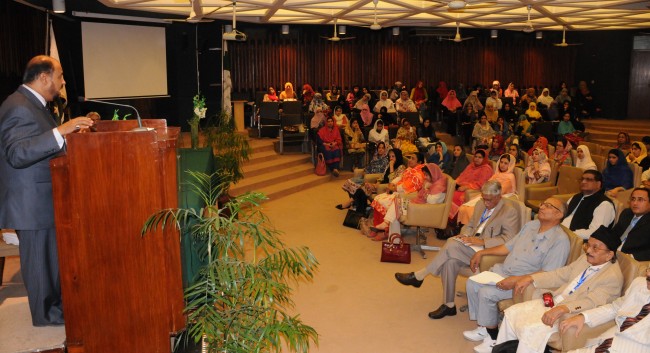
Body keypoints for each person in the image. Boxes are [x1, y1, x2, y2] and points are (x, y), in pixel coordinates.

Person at [0, 55, 94, 326]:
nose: (63, 82)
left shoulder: (35, 105)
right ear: (43, 78)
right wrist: (62, 131)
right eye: (60, 76)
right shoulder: (18, 106)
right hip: (30, 202)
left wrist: (70, 136)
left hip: (43, 197)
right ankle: (45, 315)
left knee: (51, 260)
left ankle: (57, 308)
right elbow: (17, 153)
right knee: (40, 263)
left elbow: (45, 145)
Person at [394, 180, 521, 319]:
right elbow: (470, 225)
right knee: (450, 262)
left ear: (499, 196)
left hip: (488, 252)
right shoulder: (480, 203)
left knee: (451, 243)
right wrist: (465, 235)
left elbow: (509, 240)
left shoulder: (509, 211)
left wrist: (482, 241)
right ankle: (449, 305)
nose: (486, 203)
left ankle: (420, 275)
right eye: (484, 198)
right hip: (471, 245)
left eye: (489, 200)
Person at [493, 226, 624, 353]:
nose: (588, 250)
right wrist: (531, 278)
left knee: (529, 330)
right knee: (512, 313)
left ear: (609, 255)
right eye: (588, 245)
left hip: (566, 314)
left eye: (595, 247)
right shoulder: (586, 259)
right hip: (553, 301)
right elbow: (562, 274)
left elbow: (591, 302)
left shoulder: (612, 277)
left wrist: (563, 309)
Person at [463, 197, 570, 351]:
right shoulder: (531, 225)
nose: (541, 207)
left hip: (525, 284)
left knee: (486, 293)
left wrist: (515, 280)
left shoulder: (560, 240)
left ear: (559, 215)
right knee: (472, 282)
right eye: (543, 203)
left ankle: (493, 337)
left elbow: (549, 274)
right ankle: (483, 327)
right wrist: (482, 253)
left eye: (548, 206)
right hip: (504, 271)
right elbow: (507, 247)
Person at [559, 268, 650, 353]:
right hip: (606, 343)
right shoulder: (639, 284)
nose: (648, 274)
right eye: (649, 269)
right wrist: (584, 317)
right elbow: (615, 308)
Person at [562, 170, 616, 240]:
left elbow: (595, 232)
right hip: (561, 232)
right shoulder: (576, 197)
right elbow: (562, 215)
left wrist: (569, 234)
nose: (583, 182)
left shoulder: (604, 204)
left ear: (598, 184)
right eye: (582, 179)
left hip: (576, 240)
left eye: (589, 179)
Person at [450, 149, 494, 220]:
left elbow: (481, 184)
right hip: (461, 187)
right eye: (476, 156)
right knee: (448, 193)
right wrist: (455, 182)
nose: (477, 159)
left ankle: (455, 221)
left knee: (453, 197)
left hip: (472, 191)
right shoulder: (471, 165)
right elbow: (462, 176)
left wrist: (466, 187)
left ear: (484, 159)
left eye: (480, 157)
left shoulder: (486, 169)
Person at [612, 187, 650, 261]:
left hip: (629, 259)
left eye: (640, 199)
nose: (635, 203)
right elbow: (614, 233)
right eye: (633, 199)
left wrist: (631, 256)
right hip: (612, 253)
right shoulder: (627, 213)